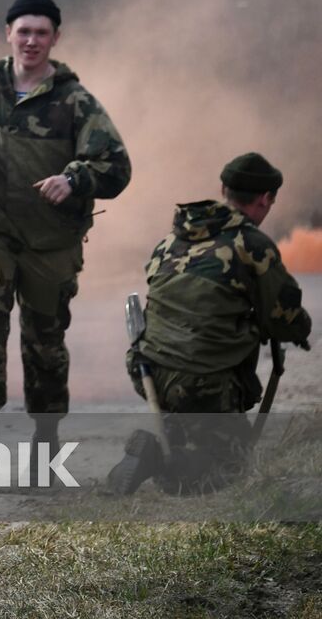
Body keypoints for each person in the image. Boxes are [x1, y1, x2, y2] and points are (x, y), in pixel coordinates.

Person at [0, 0, 130, 476]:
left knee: (44, 343)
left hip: (50, 243)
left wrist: (74, 179)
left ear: (55, 38)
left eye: (42, 33)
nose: (32, 41)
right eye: (24, 31)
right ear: (8, 34)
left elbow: (117, 168)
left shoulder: (75, 101)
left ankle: (45, 443)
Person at [109, 153, 312, 494]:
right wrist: (298, 330)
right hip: (205, 380)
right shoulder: (252, 244)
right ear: (265, 199)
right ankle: (158, 459)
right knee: (229, 468)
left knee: (194, 422)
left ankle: (167, 439)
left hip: (150, 373)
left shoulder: (170, 242)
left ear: (223, 189)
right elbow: (284, 317)